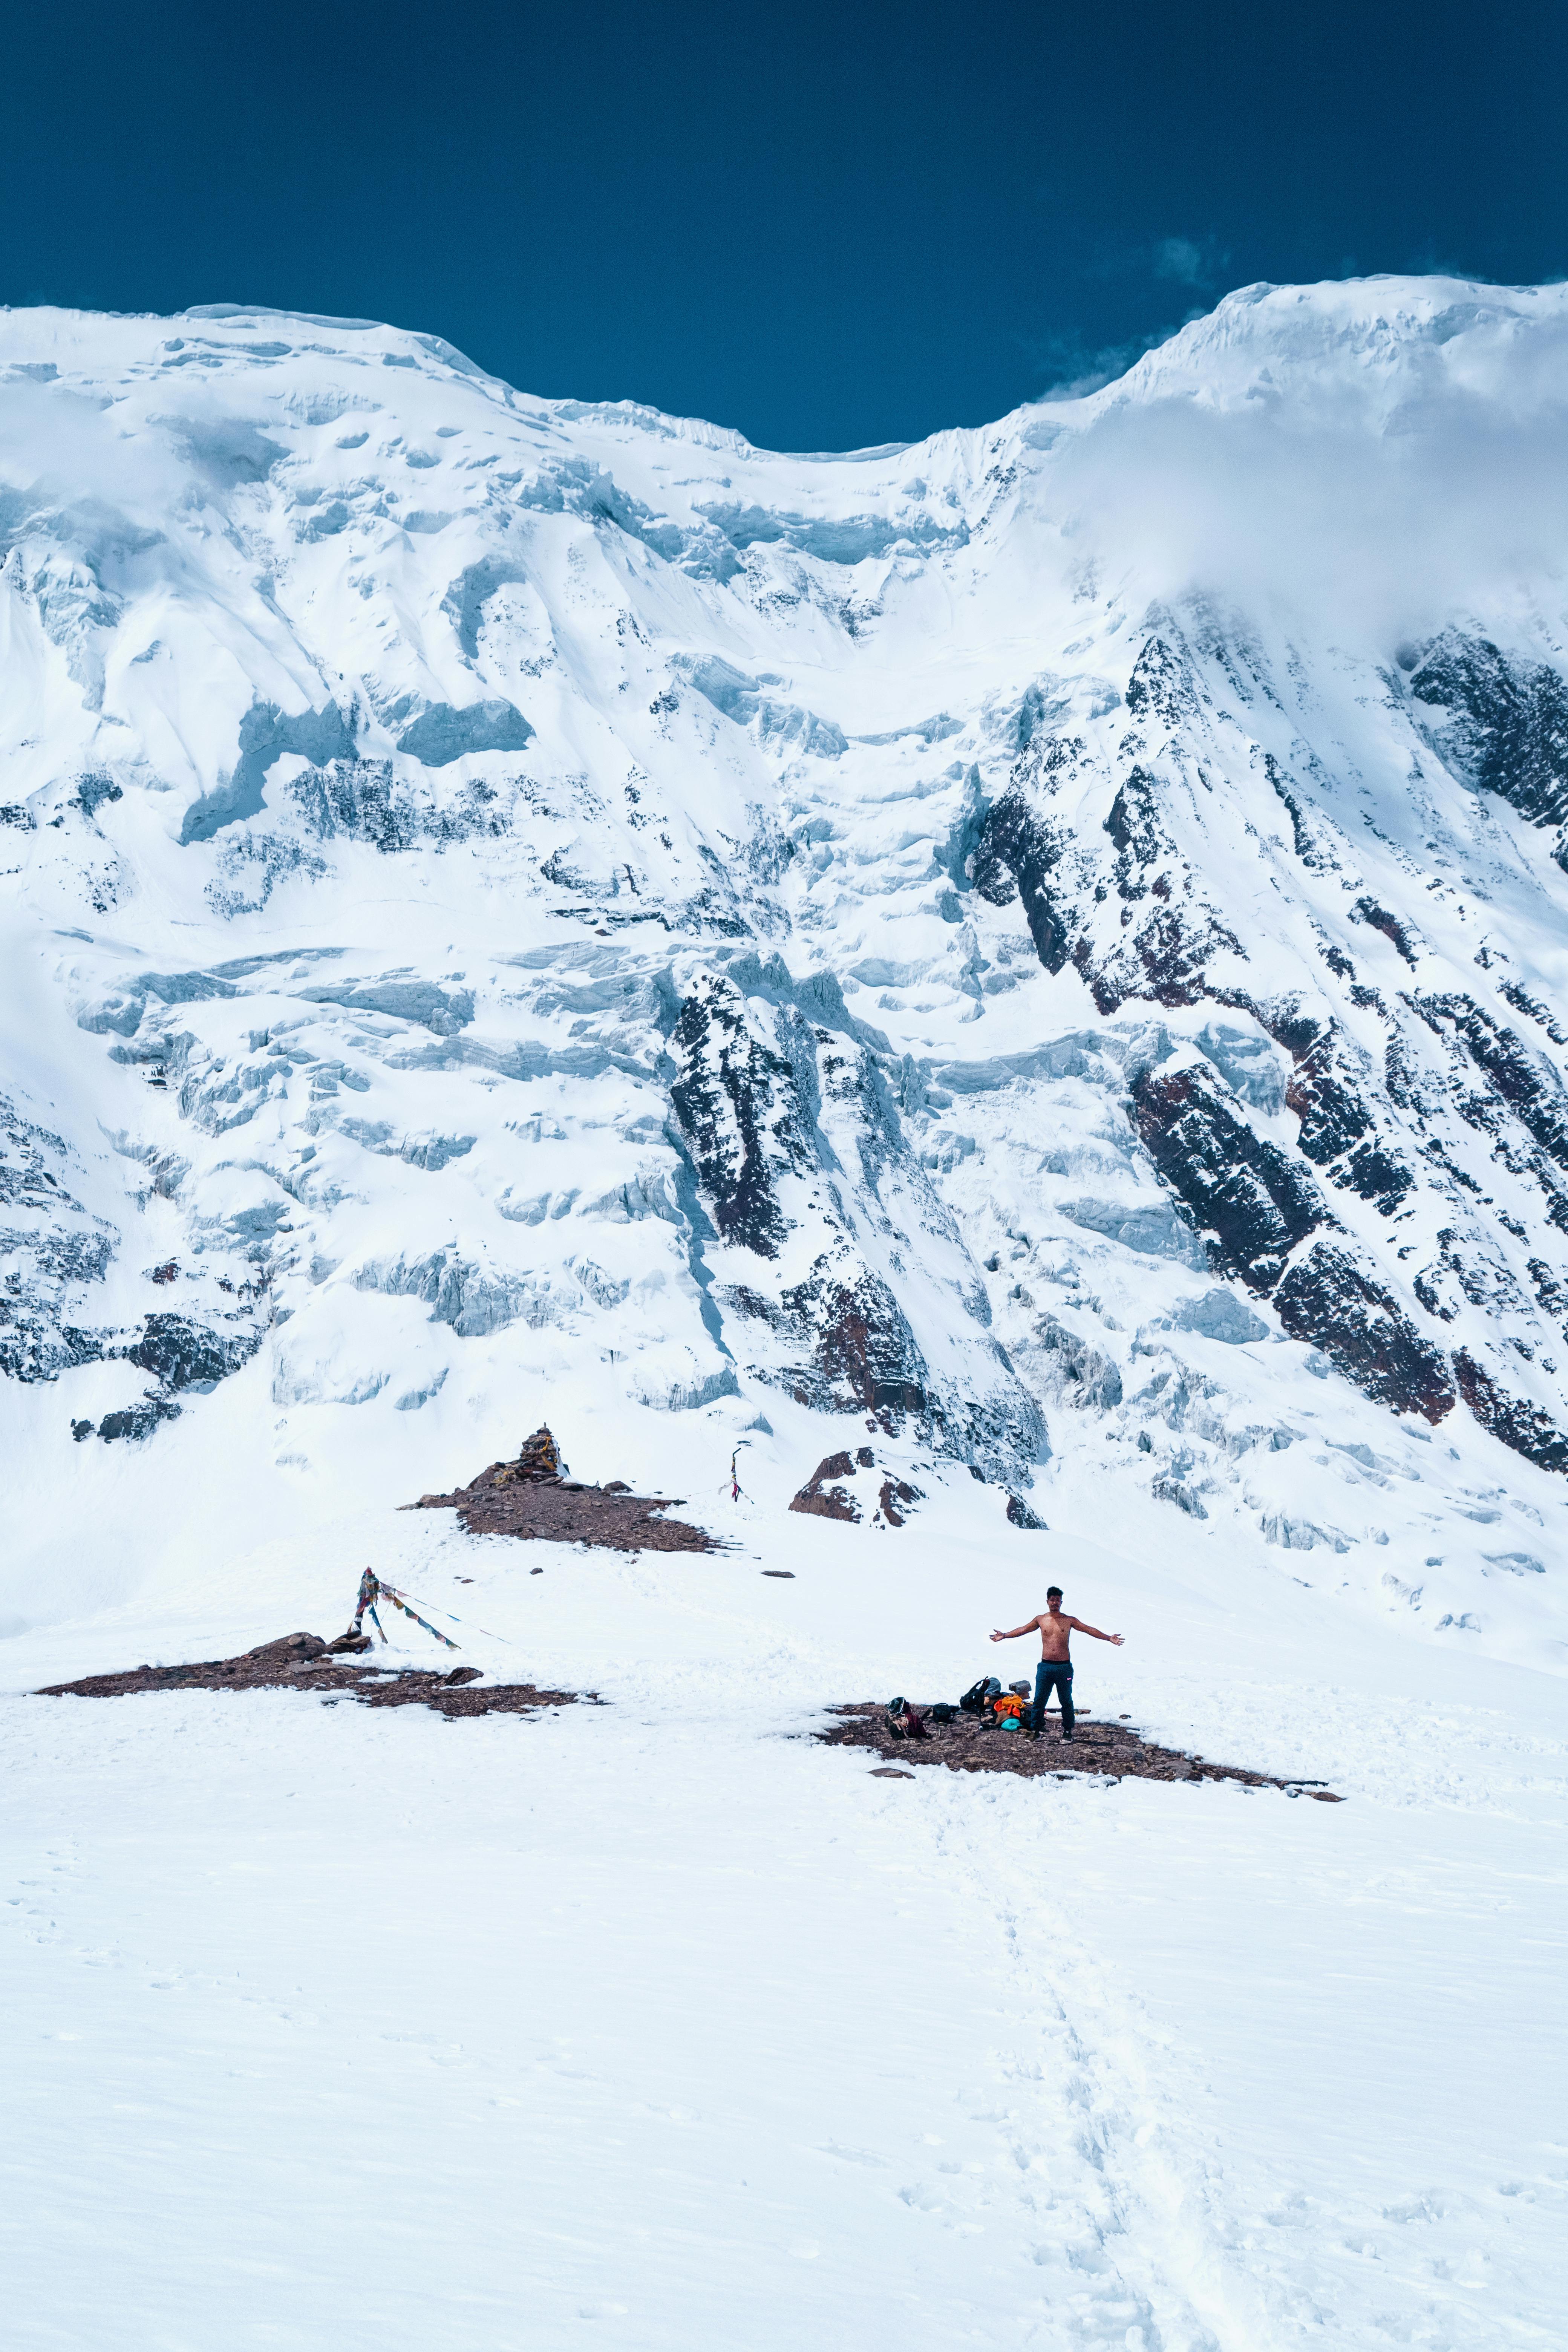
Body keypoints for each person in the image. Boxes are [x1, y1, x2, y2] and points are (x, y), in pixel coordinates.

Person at [990, 1585, 1124, 1740]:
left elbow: (1088, 1629)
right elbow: (1023, 1630)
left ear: (1061, 1602)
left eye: (1058, 1600)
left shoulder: (1069, 1620)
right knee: (1040, 1701)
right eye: (1052, 1600)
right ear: (1047, 1601)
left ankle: (1068, 1732)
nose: (1055, 1603)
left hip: (1064, 1668)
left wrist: (1109, 1638)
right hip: (1046, 1667)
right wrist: (1005, 1635)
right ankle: (1036, 1732)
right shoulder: (1041, 1620)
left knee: (1066, 1701)